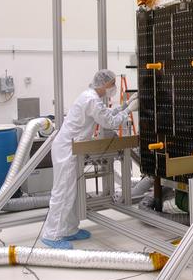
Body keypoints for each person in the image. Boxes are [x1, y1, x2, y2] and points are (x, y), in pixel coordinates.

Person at [41, 69, 138, 249]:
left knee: (73, 192)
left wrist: (125, 104)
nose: (114, 87)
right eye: (112, 84)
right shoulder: (92, 100)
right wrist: (129, 111)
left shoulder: (91, 97)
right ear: (103, 84)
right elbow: (109, 122)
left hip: (72, 148)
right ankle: (51, 234)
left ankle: (69, 229)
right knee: (63, 192)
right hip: (67, 150)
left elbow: (106, 113)